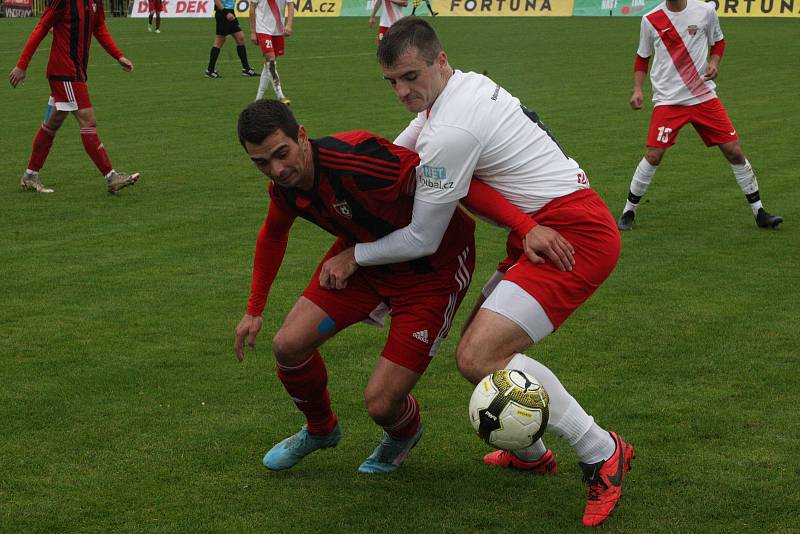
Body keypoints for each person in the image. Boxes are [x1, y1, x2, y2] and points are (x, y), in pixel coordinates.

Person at [318, 18, 634, 527]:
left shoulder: (452, 127)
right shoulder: (459, 89)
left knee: (480, 355)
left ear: (440, 61)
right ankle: (530, 453)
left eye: (410, 76)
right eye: (392, 82)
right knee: (479, 356)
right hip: (548, 223)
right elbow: (404, 159)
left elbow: (422, 234)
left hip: (574, 234)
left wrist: (353, 255)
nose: (403, 91)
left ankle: (601, 449)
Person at [233, 99, 476, 474]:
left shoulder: (359, 159)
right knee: (288, 345)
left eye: (281, 154)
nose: (277, 170)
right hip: (363, 263)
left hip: (432, 272)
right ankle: (320, 429)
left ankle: (403, 433)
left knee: (381, 404)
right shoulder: (286, 188)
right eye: (261, 163)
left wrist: (524, 226)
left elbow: (450, 181)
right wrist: (254, 309)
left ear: (301, 136)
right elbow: (273, 235)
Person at [617, 0, 783, 230]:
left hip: (704, 96)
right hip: (669, 100)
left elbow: (719, 42)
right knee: (654, 155)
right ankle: (628, 211)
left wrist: (714, 63)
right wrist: (637, 89)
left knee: (734, 151)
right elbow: (642, 57)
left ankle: (760, 213)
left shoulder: (705, 11)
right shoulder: (650, 19)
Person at [9, 0, 140, 194]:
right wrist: (22, 65)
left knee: (51, 124)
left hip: (74, 72)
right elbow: (42, 27)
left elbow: (99, 27)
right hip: (65, 73)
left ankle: (30, 176)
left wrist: (118, 56)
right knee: (88, 121)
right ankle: (111, 177)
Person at [249, 0, 293, 103]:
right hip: (263, 29)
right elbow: (252, 8)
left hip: (278, 29)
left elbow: (290, 4)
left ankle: (258, 99)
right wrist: (253, 31)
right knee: (271, 61)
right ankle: (280, 95)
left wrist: (289, 24)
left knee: (269, 64)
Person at [206, 0, 258, 79]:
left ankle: (246, 69)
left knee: (240, 38)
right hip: (223, 13)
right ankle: (210, 70)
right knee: (219, 41)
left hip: (230, 12)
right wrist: (226, 13)